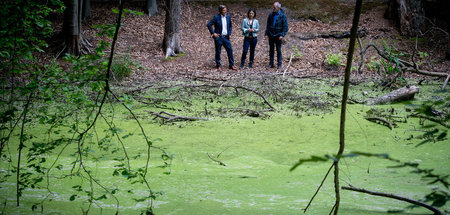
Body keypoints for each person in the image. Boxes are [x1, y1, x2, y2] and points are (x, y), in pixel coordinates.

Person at [207, 5, 238, 71]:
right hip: (219, 37)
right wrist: (213, 33)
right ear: (220, 11)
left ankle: (231, 65)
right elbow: (209, 24)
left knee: (230, 50)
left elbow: (230, 26)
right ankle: (218, 65)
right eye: (223, 10)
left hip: (226, 37)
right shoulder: (216, 17)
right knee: (218, 51)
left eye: (225, 10)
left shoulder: (228, 16)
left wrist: (229, 34)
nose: (225, 11)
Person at [265, 2, 288, 70]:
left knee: (278, 50)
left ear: (278, 7)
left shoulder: (283, 16)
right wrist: (266, 33)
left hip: (278, 36)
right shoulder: (271, 15)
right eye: (273, 7)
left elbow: (285, 27)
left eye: (274, 7)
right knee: (271, 50)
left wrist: (282, 35)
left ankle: (279, 65)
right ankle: (271, 64)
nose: (273, 8)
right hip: (271, 35)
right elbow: (268, 25)